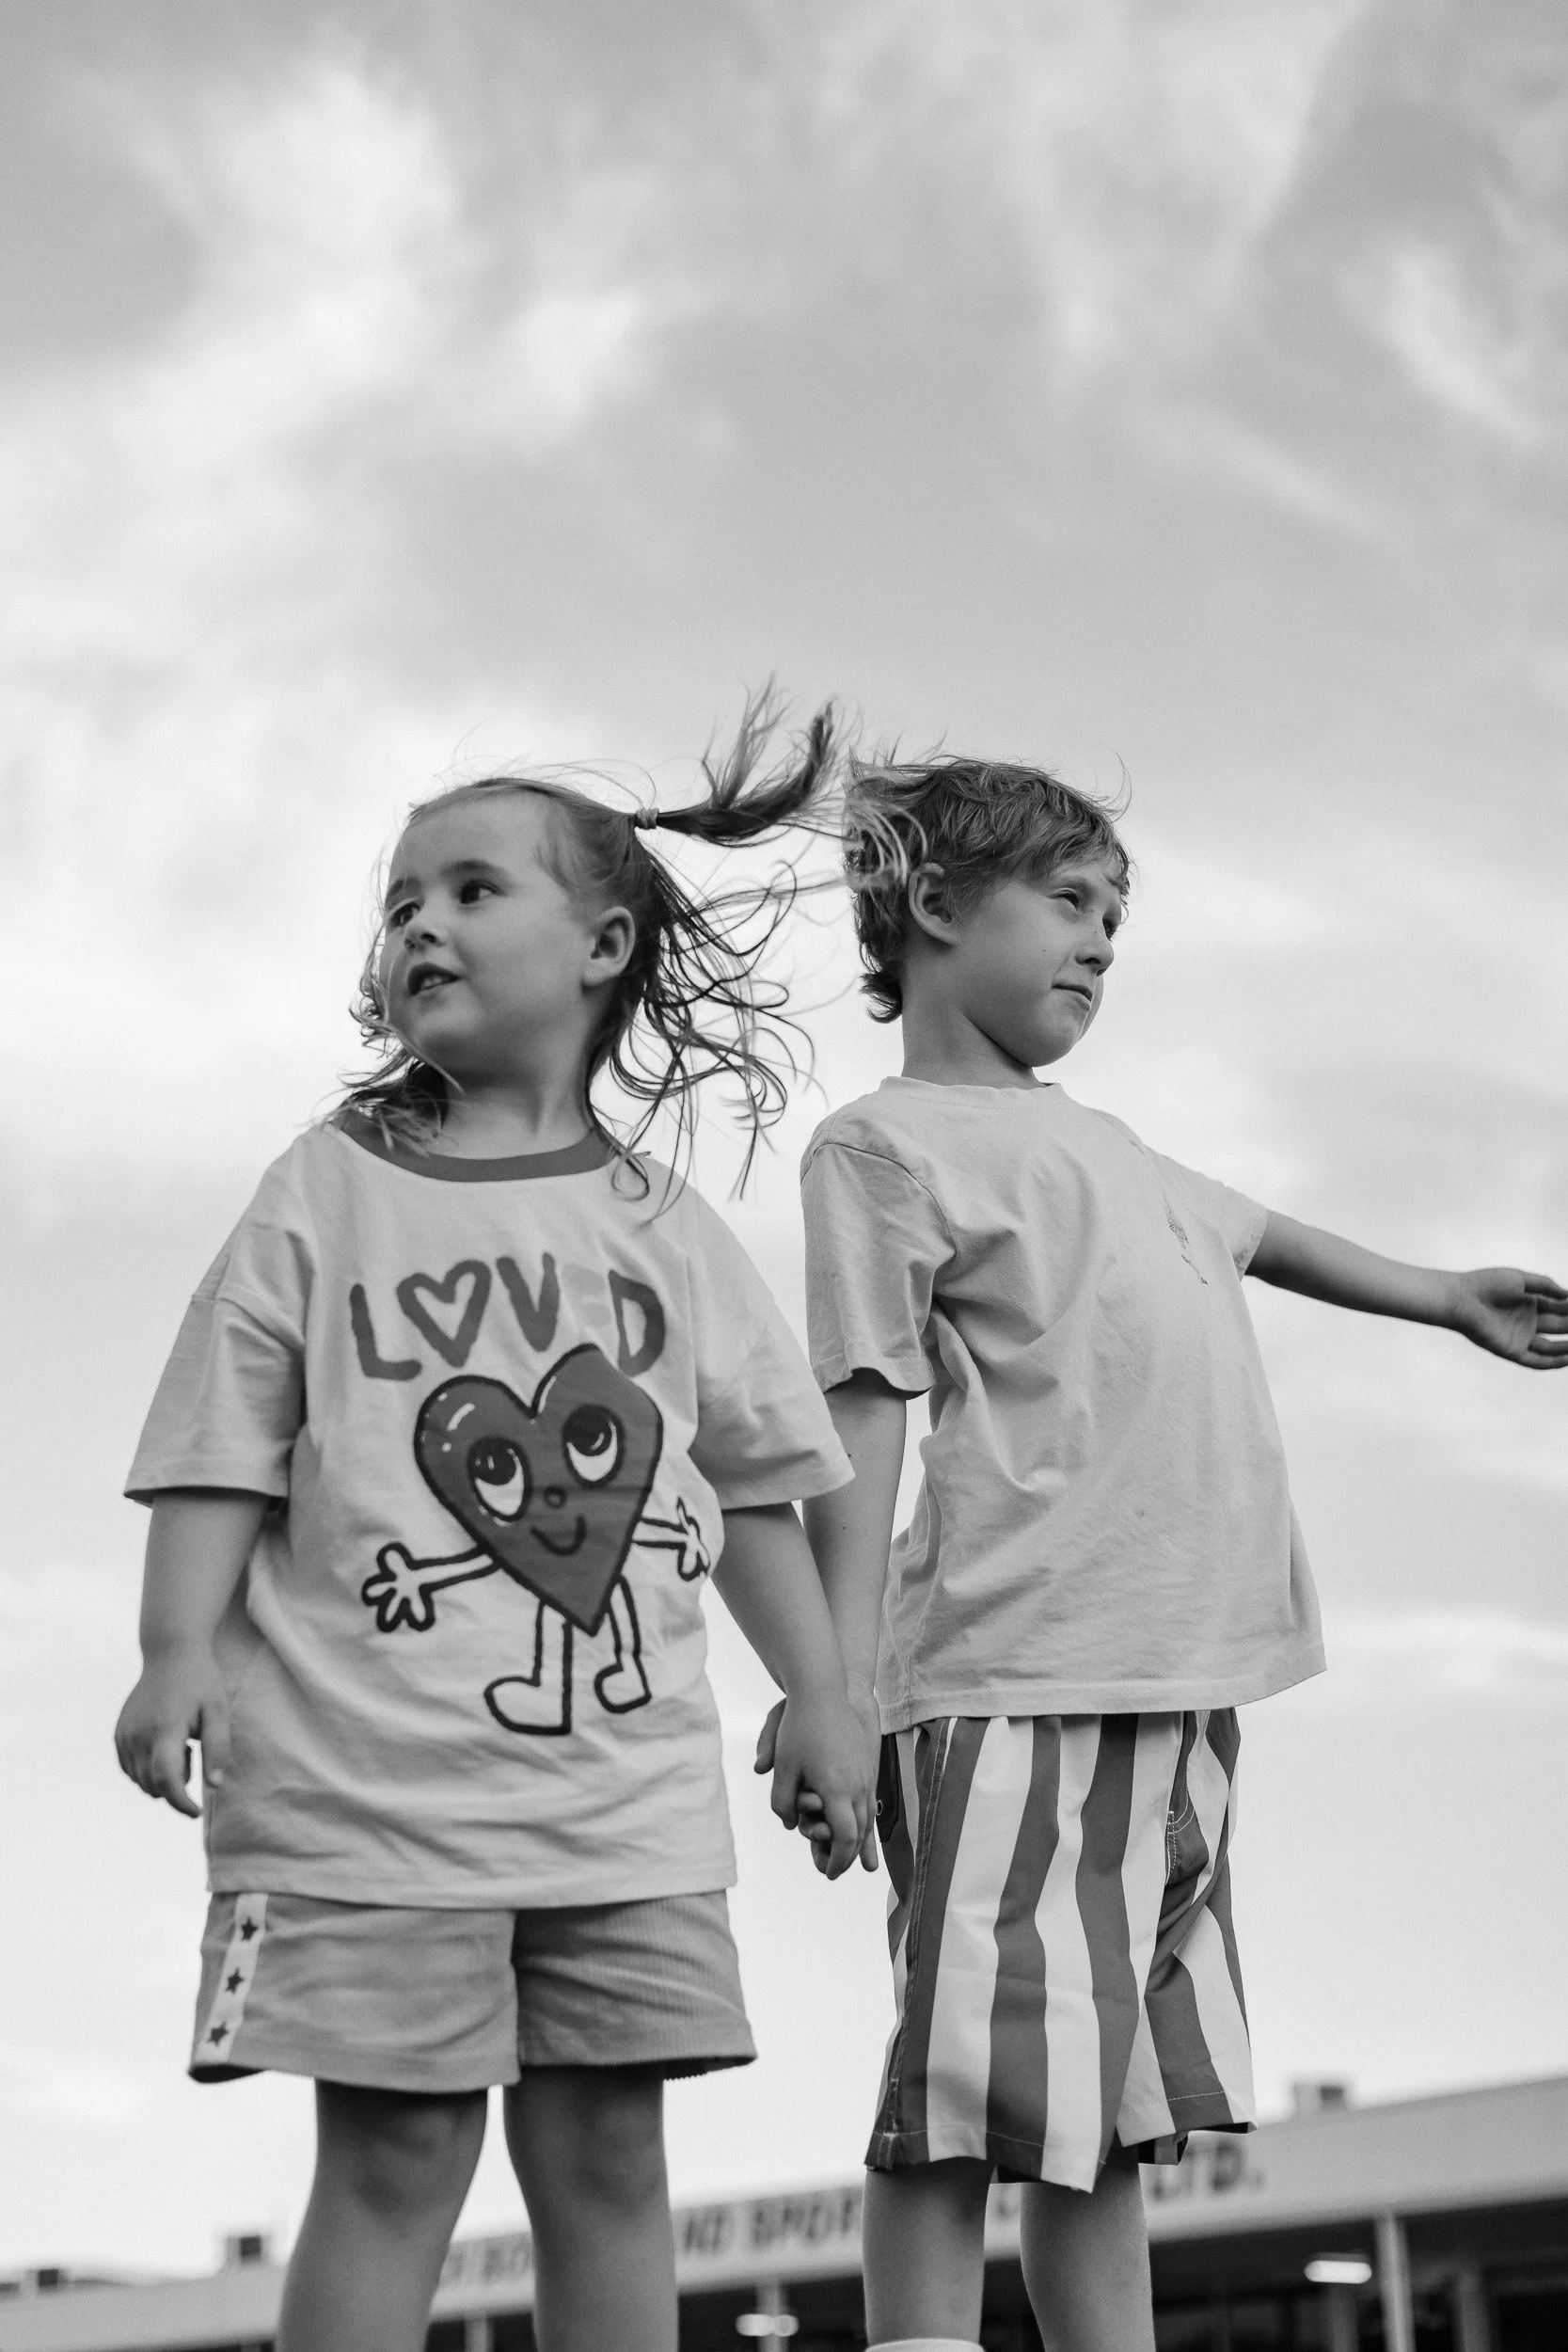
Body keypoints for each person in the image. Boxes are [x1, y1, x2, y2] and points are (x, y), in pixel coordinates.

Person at [114, 706, 874, 2352]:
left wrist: (825, 1693)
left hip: (624, 1818)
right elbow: (219, 1444)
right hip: (364, 1809)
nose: (418, 928)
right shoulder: (325, 1186)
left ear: (601, 945)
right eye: (399, 905)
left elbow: (746, 1486)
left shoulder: (662, 1225)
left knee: (609, 2156)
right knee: (395, 2161)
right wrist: (175, 1652)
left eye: (468, 891)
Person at [794, 753, 1566, 2352]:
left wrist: (1440, 1294)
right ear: (936, 906)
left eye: (1113, 920)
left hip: (1179, 1688)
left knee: (1111, 2104)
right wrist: (833, 1686)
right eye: (1068, 904)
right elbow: (858, 1418)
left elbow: (1268, 1236)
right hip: (1008, 1686)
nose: (1098, 944)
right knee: (956, 2085)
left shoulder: (1116, 1150)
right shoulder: (885, 1148)